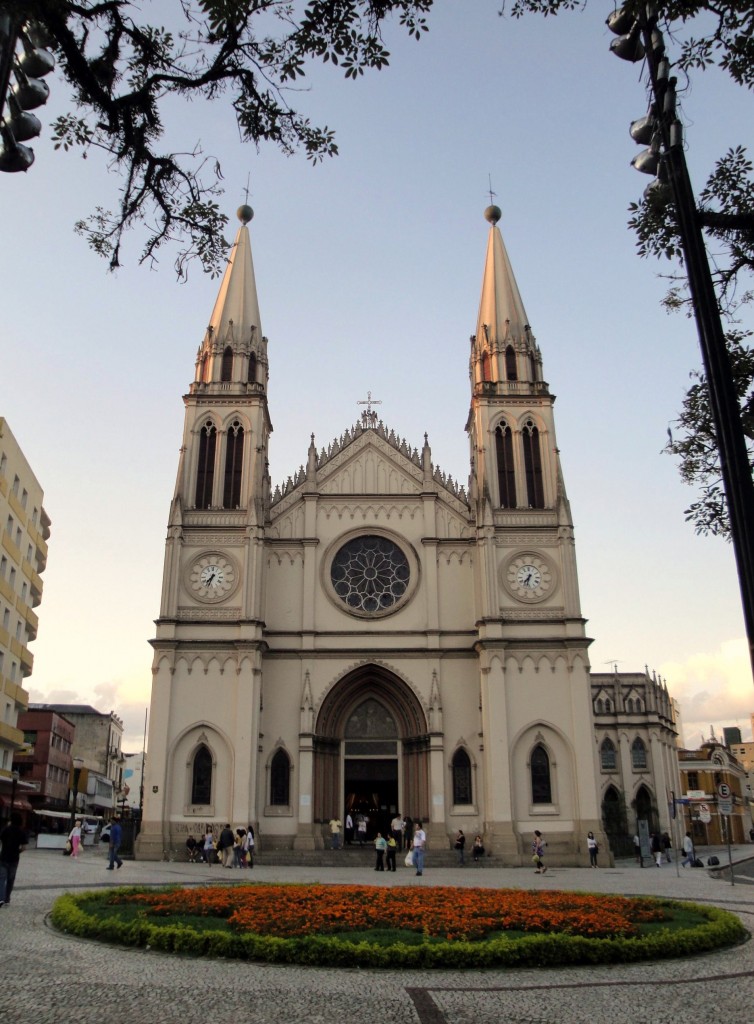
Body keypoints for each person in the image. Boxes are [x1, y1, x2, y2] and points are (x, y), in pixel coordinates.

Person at [0, 812, 28, 906]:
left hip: (3, 857)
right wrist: (17, 851)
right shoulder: (21, 832)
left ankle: (1, 898)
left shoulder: (6, 829)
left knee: (2, 879)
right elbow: (24, 847)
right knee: (10, 880)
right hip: (14, 859)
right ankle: (7, 899)